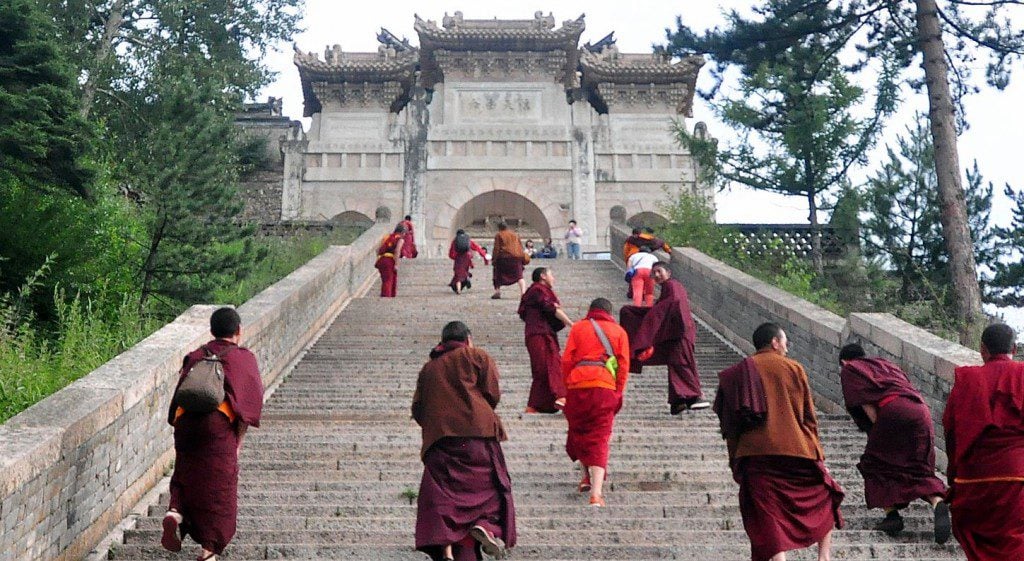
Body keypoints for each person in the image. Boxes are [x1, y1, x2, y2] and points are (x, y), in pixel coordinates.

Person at [716, 322, 844, 561]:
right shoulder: (793, 368)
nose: (786, 348)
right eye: (785, 343)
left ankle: (779, 559)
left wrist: (735, 459)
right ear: (775, 342)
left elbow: (730, 425)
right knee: (825, 493)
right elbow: (808, 417)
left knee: (767, 511)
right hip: (798, 450)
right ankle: (824, 556)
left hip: (755, 454)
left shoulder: (736, 374)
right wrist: (817, 452)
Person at [161, 307, 264, 561]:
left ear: (212, 330)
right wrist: (237, 442)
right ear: (238, 331)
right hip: (216, 425)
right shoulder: (242, 358)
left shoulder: (196, 355)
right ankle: (209, 551)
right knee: (219, 486)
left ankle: (176, 512)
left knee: (186, 472)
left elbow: (179, 395)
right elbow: (249, 404)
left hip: (185, 422)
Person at [412, 321, 516, 561]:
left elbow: (418, 409)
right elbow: (491, 394)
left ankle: (447, 545)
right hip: (478, 437)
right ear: (468, 339)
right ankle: (484, 526)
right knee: (487, 492)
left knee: (443, 498)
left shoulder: (428, 369)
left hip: (441, 443)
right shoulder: (477, 355)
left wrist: (440, 424)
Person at [837, 343, 949, 541]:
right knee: (917, 466)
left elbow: (868, 407)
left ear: (844, 362)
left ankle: (892, 515)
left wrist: (877, 436)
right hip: (920, 411)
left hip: (893, 411)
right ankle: (937, 502)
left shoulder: (851, 369)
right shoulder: (884, 364)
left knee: (875, 463)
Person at [943, 323, 1024, 560]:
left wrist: (953, 477)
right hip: (1017, 475)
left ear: (982, 349)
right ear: (1014, 347)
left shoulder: (969, 379)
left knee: (977, 542)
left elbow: (951, 429)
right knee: (1015, 542)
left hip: (973, 478)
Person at [561, 298, 630, 507]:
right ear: (610, 312)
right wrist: (618, 391)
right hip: (603, 385)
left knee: (578, 431)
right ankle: (596, 493)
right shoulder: (619, 332)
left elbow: (566, 360)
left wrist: (568, 384)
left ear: (590, 311)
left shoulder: (579, 328)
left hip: (577, 384)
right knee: (599, 435)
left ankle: (585, 478)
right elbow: (623, 365)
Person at [619, 262, 709, 414]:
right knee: (674, 362)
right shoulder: (668, 288)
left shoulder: (672, 285)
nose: (656, 275)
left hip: (680, 332)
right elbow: (663, 307)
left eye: (659, 271)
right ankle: (678, 401)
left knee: (682, 363)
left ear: (668, 272)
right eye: (653, 273)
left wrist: (650, 319)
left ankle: (695, 396)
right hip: (674, 332)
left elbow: (672, 304)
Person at [518, 267, 573, 413]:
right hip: (539, 333)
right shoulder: (538, 290)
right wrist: (572, 325)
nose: (553, 278)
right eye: (551, 275)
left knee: (542, 368)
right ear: (543, 276)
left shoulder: (536, 291)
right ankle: (560, 396)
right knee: (549, 365)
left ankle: (536, 405)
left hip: (540, 332)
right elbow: (551, 309)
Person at [490, 222, 527, 299]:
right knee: (519, 276)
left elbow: (496, 248)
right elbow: (520, 246)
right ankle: (523, 292)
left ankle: (497, 291)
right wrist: (522, 258)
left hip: (504, 257)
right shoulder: (515, 235)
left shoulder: (499, 235)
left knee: (497, 274)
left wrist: (494, 260)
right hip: (517, 257)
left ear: (499, 228)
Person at [449, 229, 489, 294]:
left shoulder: (455, 241)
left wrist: (454, 257)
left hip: (459, 258)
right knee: (464, 271)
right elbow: (477, 248)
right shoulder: (467, 240)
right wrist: (485, 257)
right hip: (467, 258)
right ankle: (466, 279)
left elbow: (451, 253)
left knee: (458, 274)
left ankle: (459, 289)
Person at [375, 224, 405, 297]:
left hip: (381, 259)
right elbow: (397, 251)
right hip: (390, 260)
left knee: (385, 280)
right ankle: (387, 297)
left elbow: (377, 249)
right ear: (402, 232)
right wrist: (396, 264)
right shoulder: (400, 239)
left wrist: (379, 258)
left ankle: (385, 296)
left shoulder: (387, 237)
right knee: (389, 280)